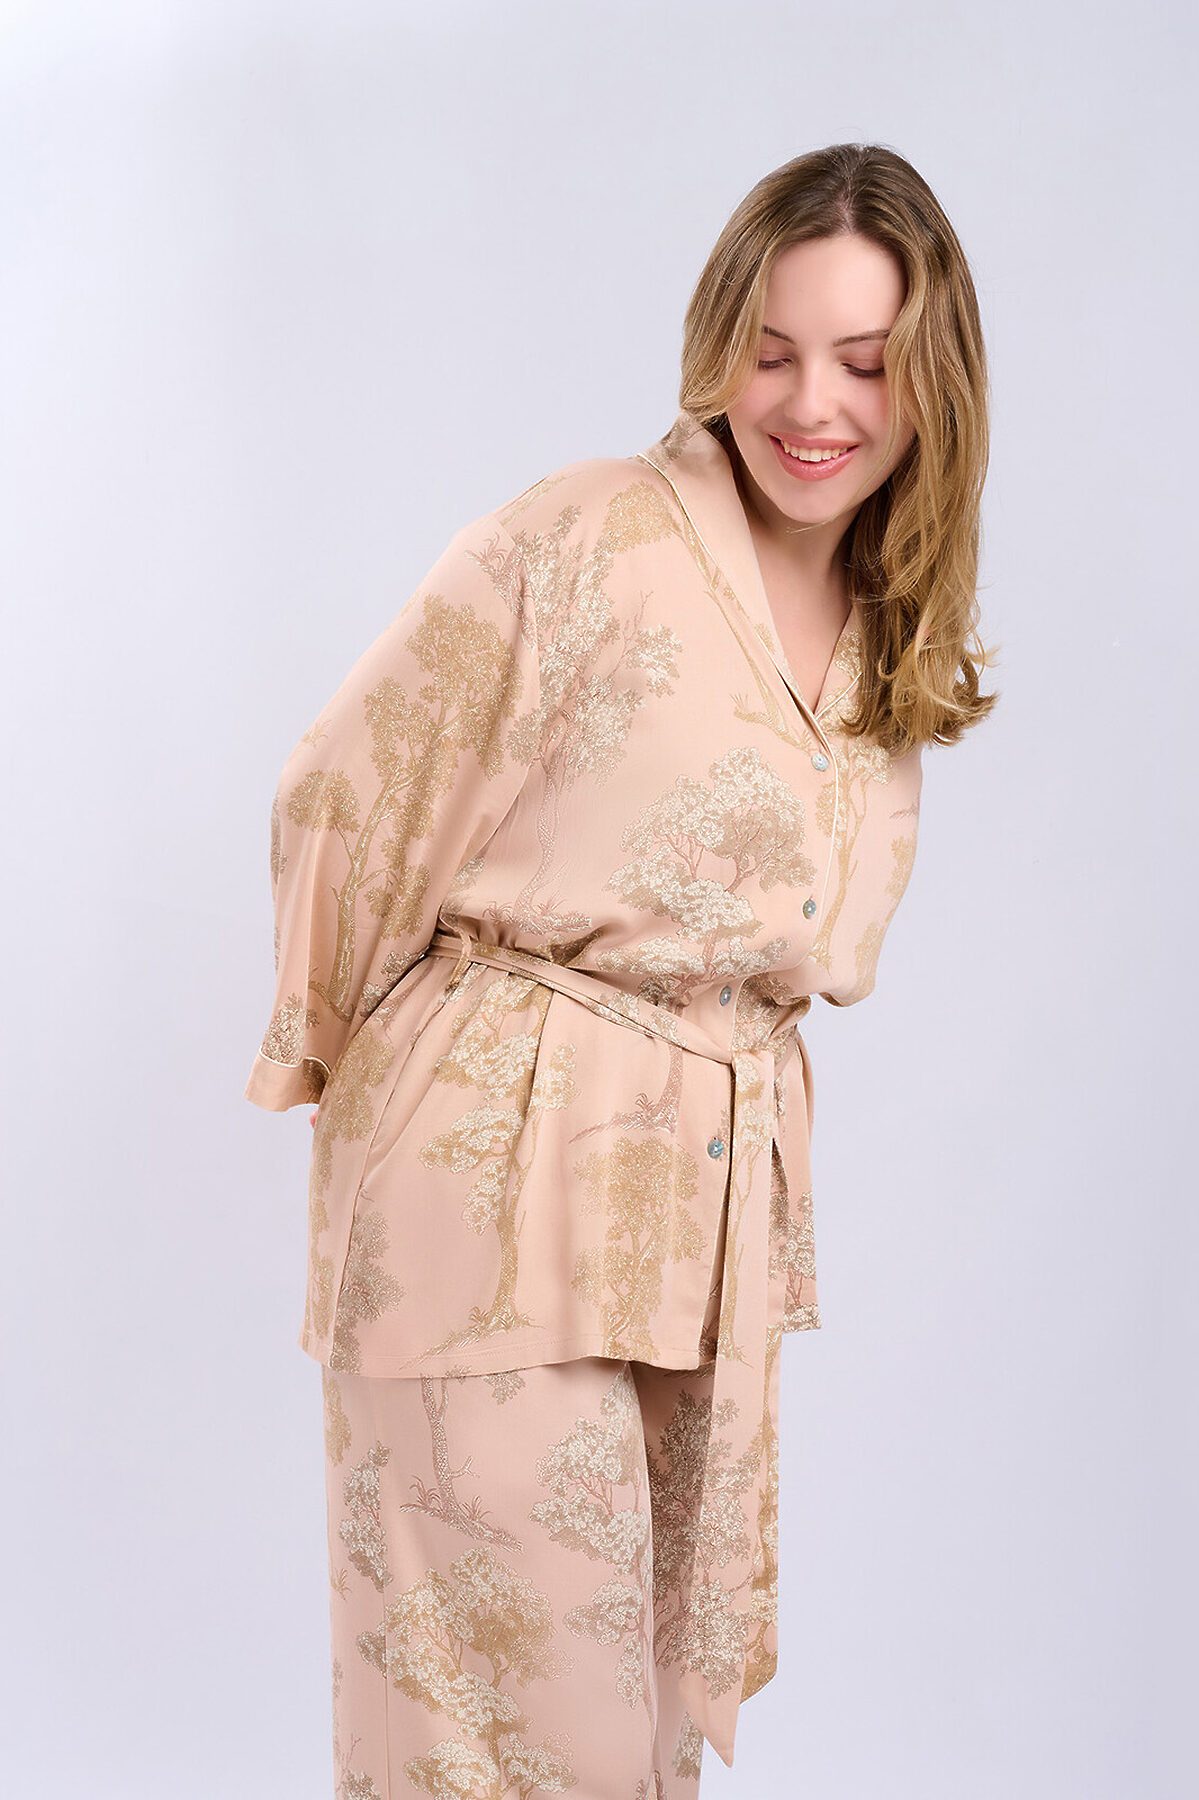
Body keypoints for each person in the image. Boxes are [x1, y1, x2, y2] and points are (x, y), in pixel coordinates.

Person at [245, 142, 996, 1798]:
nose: (814, 404)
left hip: (703, 1224)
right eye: (773, 351)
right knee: (501, 1744)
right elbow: (343, 793)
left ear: (933, 384)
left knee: (639, 1741)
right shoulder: (588, 537)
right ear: (719, 346)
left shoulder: (890, 626)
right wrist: (382, 1081)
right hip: (492, 1184)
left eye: (865, 362)